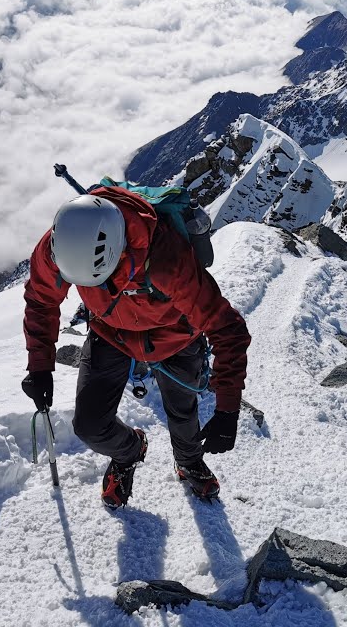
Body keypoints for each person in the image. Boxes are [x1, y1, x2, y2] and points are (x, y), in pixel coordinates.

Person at [20, 186, 251, 509]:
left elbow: (227, 328)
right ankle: (128, 450)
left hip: (175, 336)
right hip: (110, 332)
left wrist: (228, 409)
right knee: (90, 426)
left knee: (183, 415)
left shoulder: (166, 261)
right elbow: (41, 301)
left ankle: (188, 462)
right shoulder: (61, 246)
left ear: (119, 251)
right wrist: (40, 366)